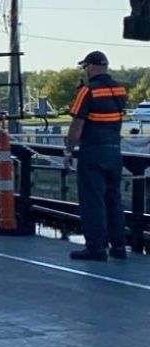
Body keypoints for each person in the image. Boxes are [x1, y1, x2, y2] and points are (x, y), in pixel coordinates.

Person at [63, 50, 128, 260]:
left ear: (90, 67)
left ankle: (96, 248)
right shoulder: (119, 90)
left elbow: (76, 126)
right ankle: (119, 247)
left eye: (85, 67)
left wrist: (68, 150)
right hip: (114, 152)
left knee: (92, 200)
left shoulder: (88, 91)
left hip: (92, 152)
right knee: (113, 199)